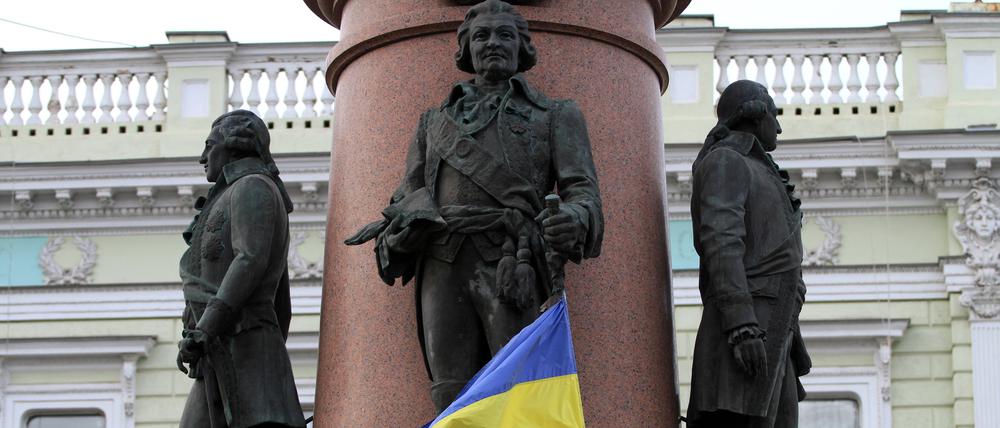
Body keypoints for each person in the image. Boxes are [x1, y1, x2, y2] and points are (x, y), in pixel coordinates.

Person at [346, 0, 604, 413]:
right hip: (443, 261)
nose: (493, 44)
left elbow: (583, 192)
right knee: (449, 393)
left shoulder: (556, 114)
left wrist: (572, 220)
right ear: (466, 49)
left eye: (505, 35)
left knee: (518, 391)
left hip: (511, 258)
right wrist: (401, 229)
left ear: (523, 48)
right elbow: (406, 194)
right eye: (481, 36)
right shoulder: (433, 122)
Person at [686, 80, 812, 428]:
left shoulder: (757, 168)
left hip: (775, 328)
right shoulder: (727, 160)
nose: (779, 125)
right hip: (745, 333)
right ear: (755, 114)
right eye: (774, 112)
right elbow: (721, 241)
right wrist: (742, 326)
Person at [176, 110, 305, 428]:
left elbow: (250, 259)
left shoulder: (253, 186)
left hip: (245, 346)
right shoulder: (232, 191)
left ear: (235, 145)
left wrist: (205, 327)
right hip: (219, 348)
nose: (203, 157)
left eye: (210, 145)